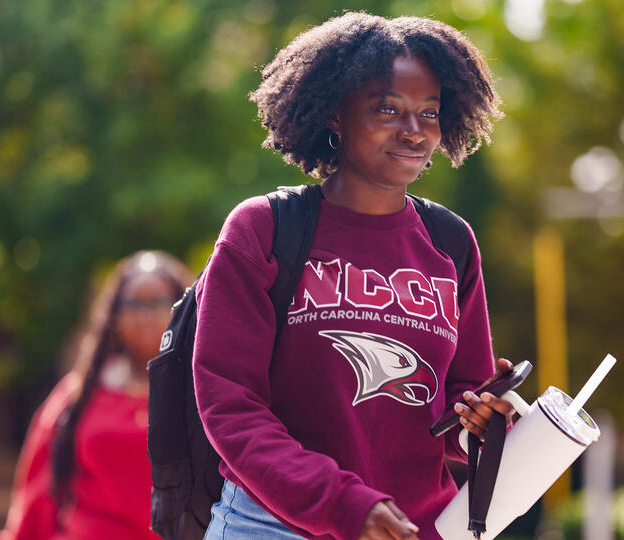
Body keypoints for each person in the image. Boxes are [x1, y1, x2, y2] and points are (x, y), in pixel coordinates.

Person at [194, 12, 514, 540]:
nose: (414, 132)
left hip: (410, 527)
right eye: (387, 108)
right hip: (275, 525)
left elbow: (462, 402)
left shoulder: (451, 243)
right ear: (335, 115)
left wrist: (482, 418)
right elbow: (231, 406)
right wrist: (340, 503)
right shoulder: (264, 229)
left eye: (429, 113)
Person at [0, 251, 193, 540]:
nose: (145, 314)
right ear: (115, 316)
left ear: (181, 311)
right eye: (134, 303)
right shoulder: (81, 391)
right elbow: (41, 485)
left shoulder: (201, 391)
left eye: (159, 301)